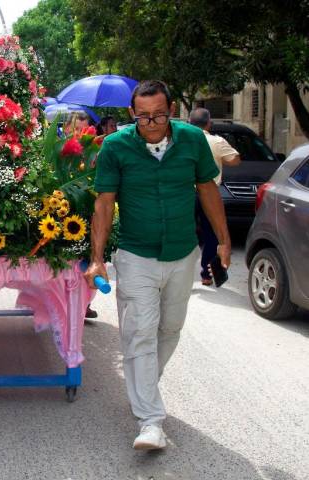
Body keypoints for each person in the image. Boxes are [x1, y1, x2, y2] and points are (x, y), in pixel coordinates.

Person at [85, 80, 230, 450]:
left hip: (183, 252)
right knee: (140, 334)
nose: (151, 123)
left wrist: (224, 240)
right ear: (132, 113)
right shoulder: (116, 147)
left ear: (172, 112)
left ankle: (144, 385)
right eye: (143, 116)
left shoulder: (193, 141)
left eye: (159, 115)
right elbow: (104, 203)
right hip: (136, 255)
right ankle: (151, 420)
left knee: (170, 329)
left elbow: (208, 190)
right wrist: (97, 258)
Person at [188, 108, 241, 285]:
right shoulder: (216, 141)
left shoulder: (183, 140)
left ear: (189, 122)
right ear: (209, 123)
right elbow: (235, 159)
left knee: (183, 232)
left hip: (185, 193)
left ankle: (182, 276)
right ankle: (206, 274)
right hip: (209, 194)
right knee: (211, 234)